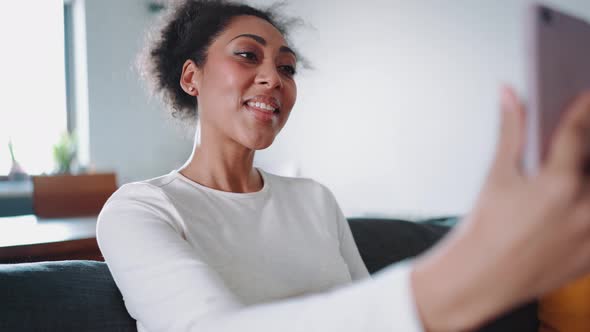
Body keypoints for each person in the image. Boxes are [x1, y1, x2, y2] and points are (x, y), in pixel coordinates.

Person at [96, 1, 590, 331]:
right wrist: (469, 267)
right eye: (248, 55)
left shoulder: (313, 199)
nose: (273, 77)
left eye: (287, 67)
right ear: (191, 77)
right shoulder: (139, 211)